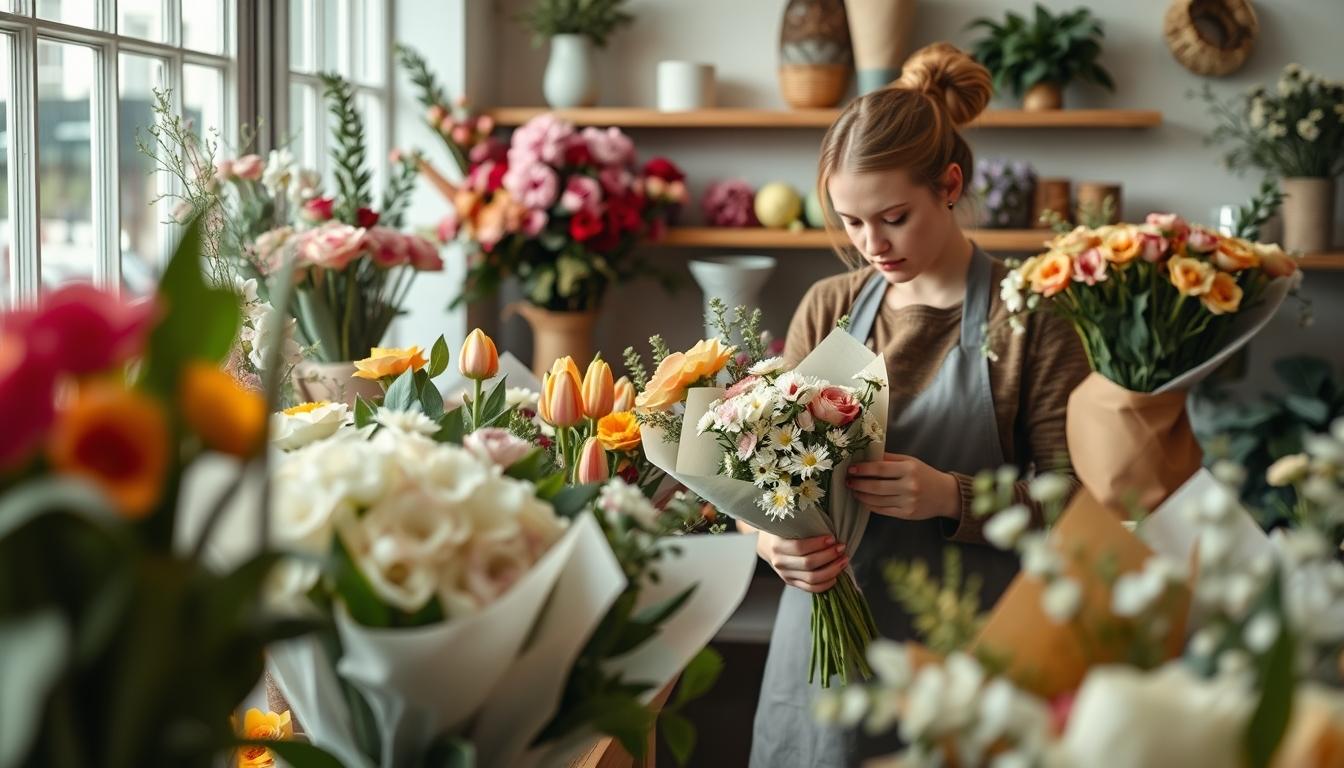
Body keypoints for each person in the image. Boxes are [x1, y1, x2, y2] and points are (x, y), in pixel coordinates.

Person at [744, 42, 1090, 767]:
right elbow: (764, 476)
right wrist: (770, 544)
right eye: (851, 221)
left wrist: (950, 496)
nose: (872, 244)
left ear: (950, 184)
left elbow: (1077, 510)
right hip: (825, 659)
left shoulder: (1030, 318)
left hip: (969, 654)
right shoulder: (829, 307)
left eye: (893, 217)